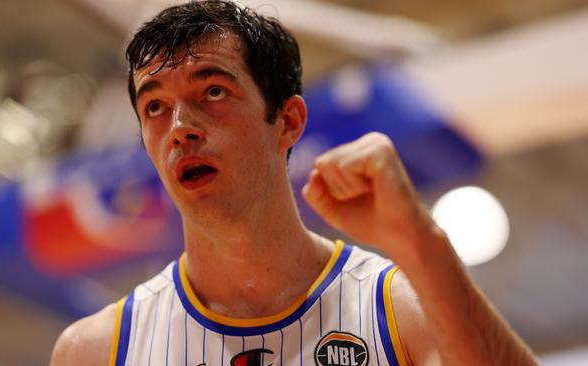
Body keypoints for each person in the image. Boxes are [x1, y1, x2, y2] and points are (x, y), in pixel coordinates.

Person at [50, 1, 538, 365]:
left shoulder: (397, 307)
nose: (180, 127)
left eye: (213, 91)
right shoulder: (95, 350)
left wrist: (422, 244)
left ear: (287, 121)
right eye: (155, 107)